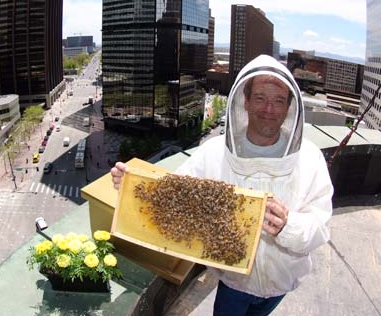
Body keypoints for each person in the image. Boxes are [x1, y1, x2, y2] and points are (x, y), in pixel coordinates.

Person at [111, 55, 333, 315]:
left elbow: (320, 226)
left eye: (279, 101)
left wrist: (288, 226)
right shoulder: (213, 152)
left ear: (289, 108)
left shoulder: (310, 158)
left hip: (282, 283)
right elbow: (173, 192)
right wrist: (133, 184)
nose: (269, 109)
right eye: (260, 98)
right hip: (234, 284)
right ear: (246, 102)